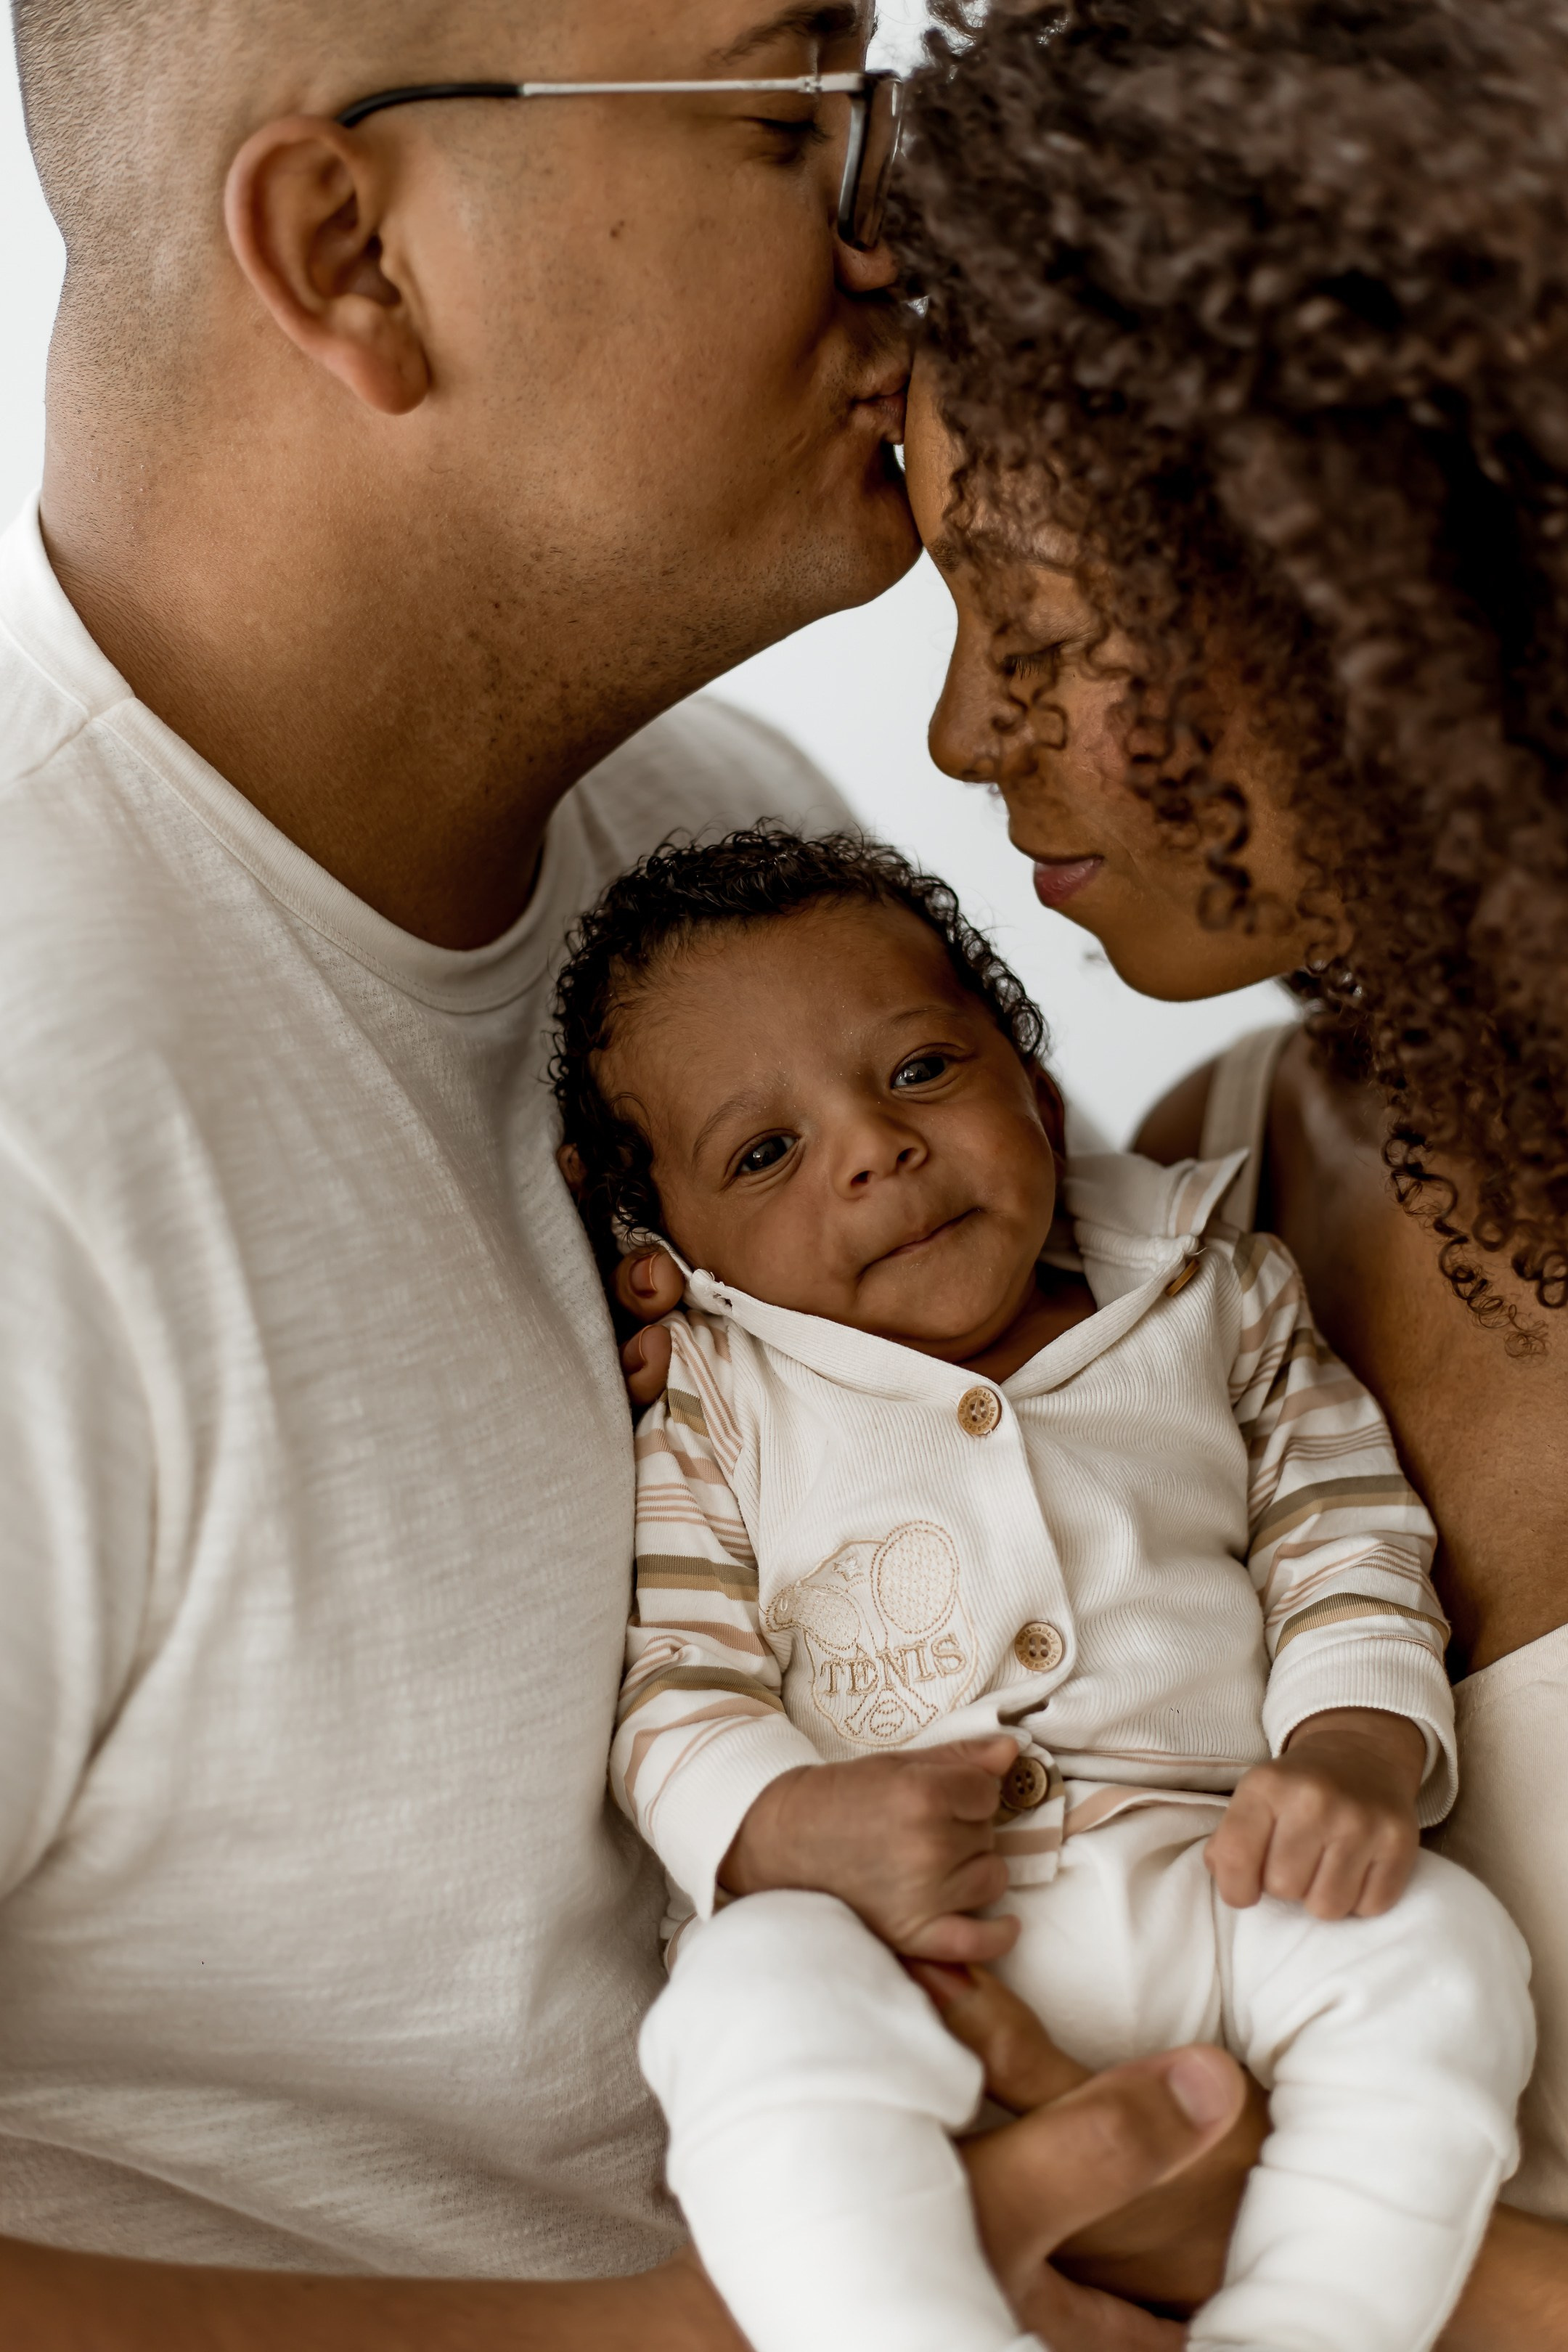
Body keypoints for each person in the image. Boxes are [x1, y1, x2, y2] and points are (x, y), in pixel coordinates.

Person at [0, 0, 1254, 2343]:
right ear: (355, 255)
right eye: (792, 121)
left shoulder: (701, 841)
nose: (904, 234)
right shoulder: (35, 1120)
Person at [881, 0, 1568, 2343]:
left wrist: (1228, 2227)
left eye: (1042, 624)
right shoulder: (1202, 1187)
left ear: (1386, 583)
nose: (964, 733)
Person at [560, 826, 1532, 2352]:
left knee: (1443, 1951)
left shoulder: (1211, 1288)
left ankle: (1314, 2321)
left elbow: (1345, 1535)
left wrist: (1355, 1747)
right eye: (765, 1154)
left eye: (922, 1071)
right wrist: (774, 1827)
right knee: (746, 2006)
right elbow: (675, 1672)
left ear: (1035, 1080)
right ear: (665, 1247)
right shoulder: (718, 1401)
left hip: (1223, 1879)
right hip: (898, 1942)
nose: (873, 1149)